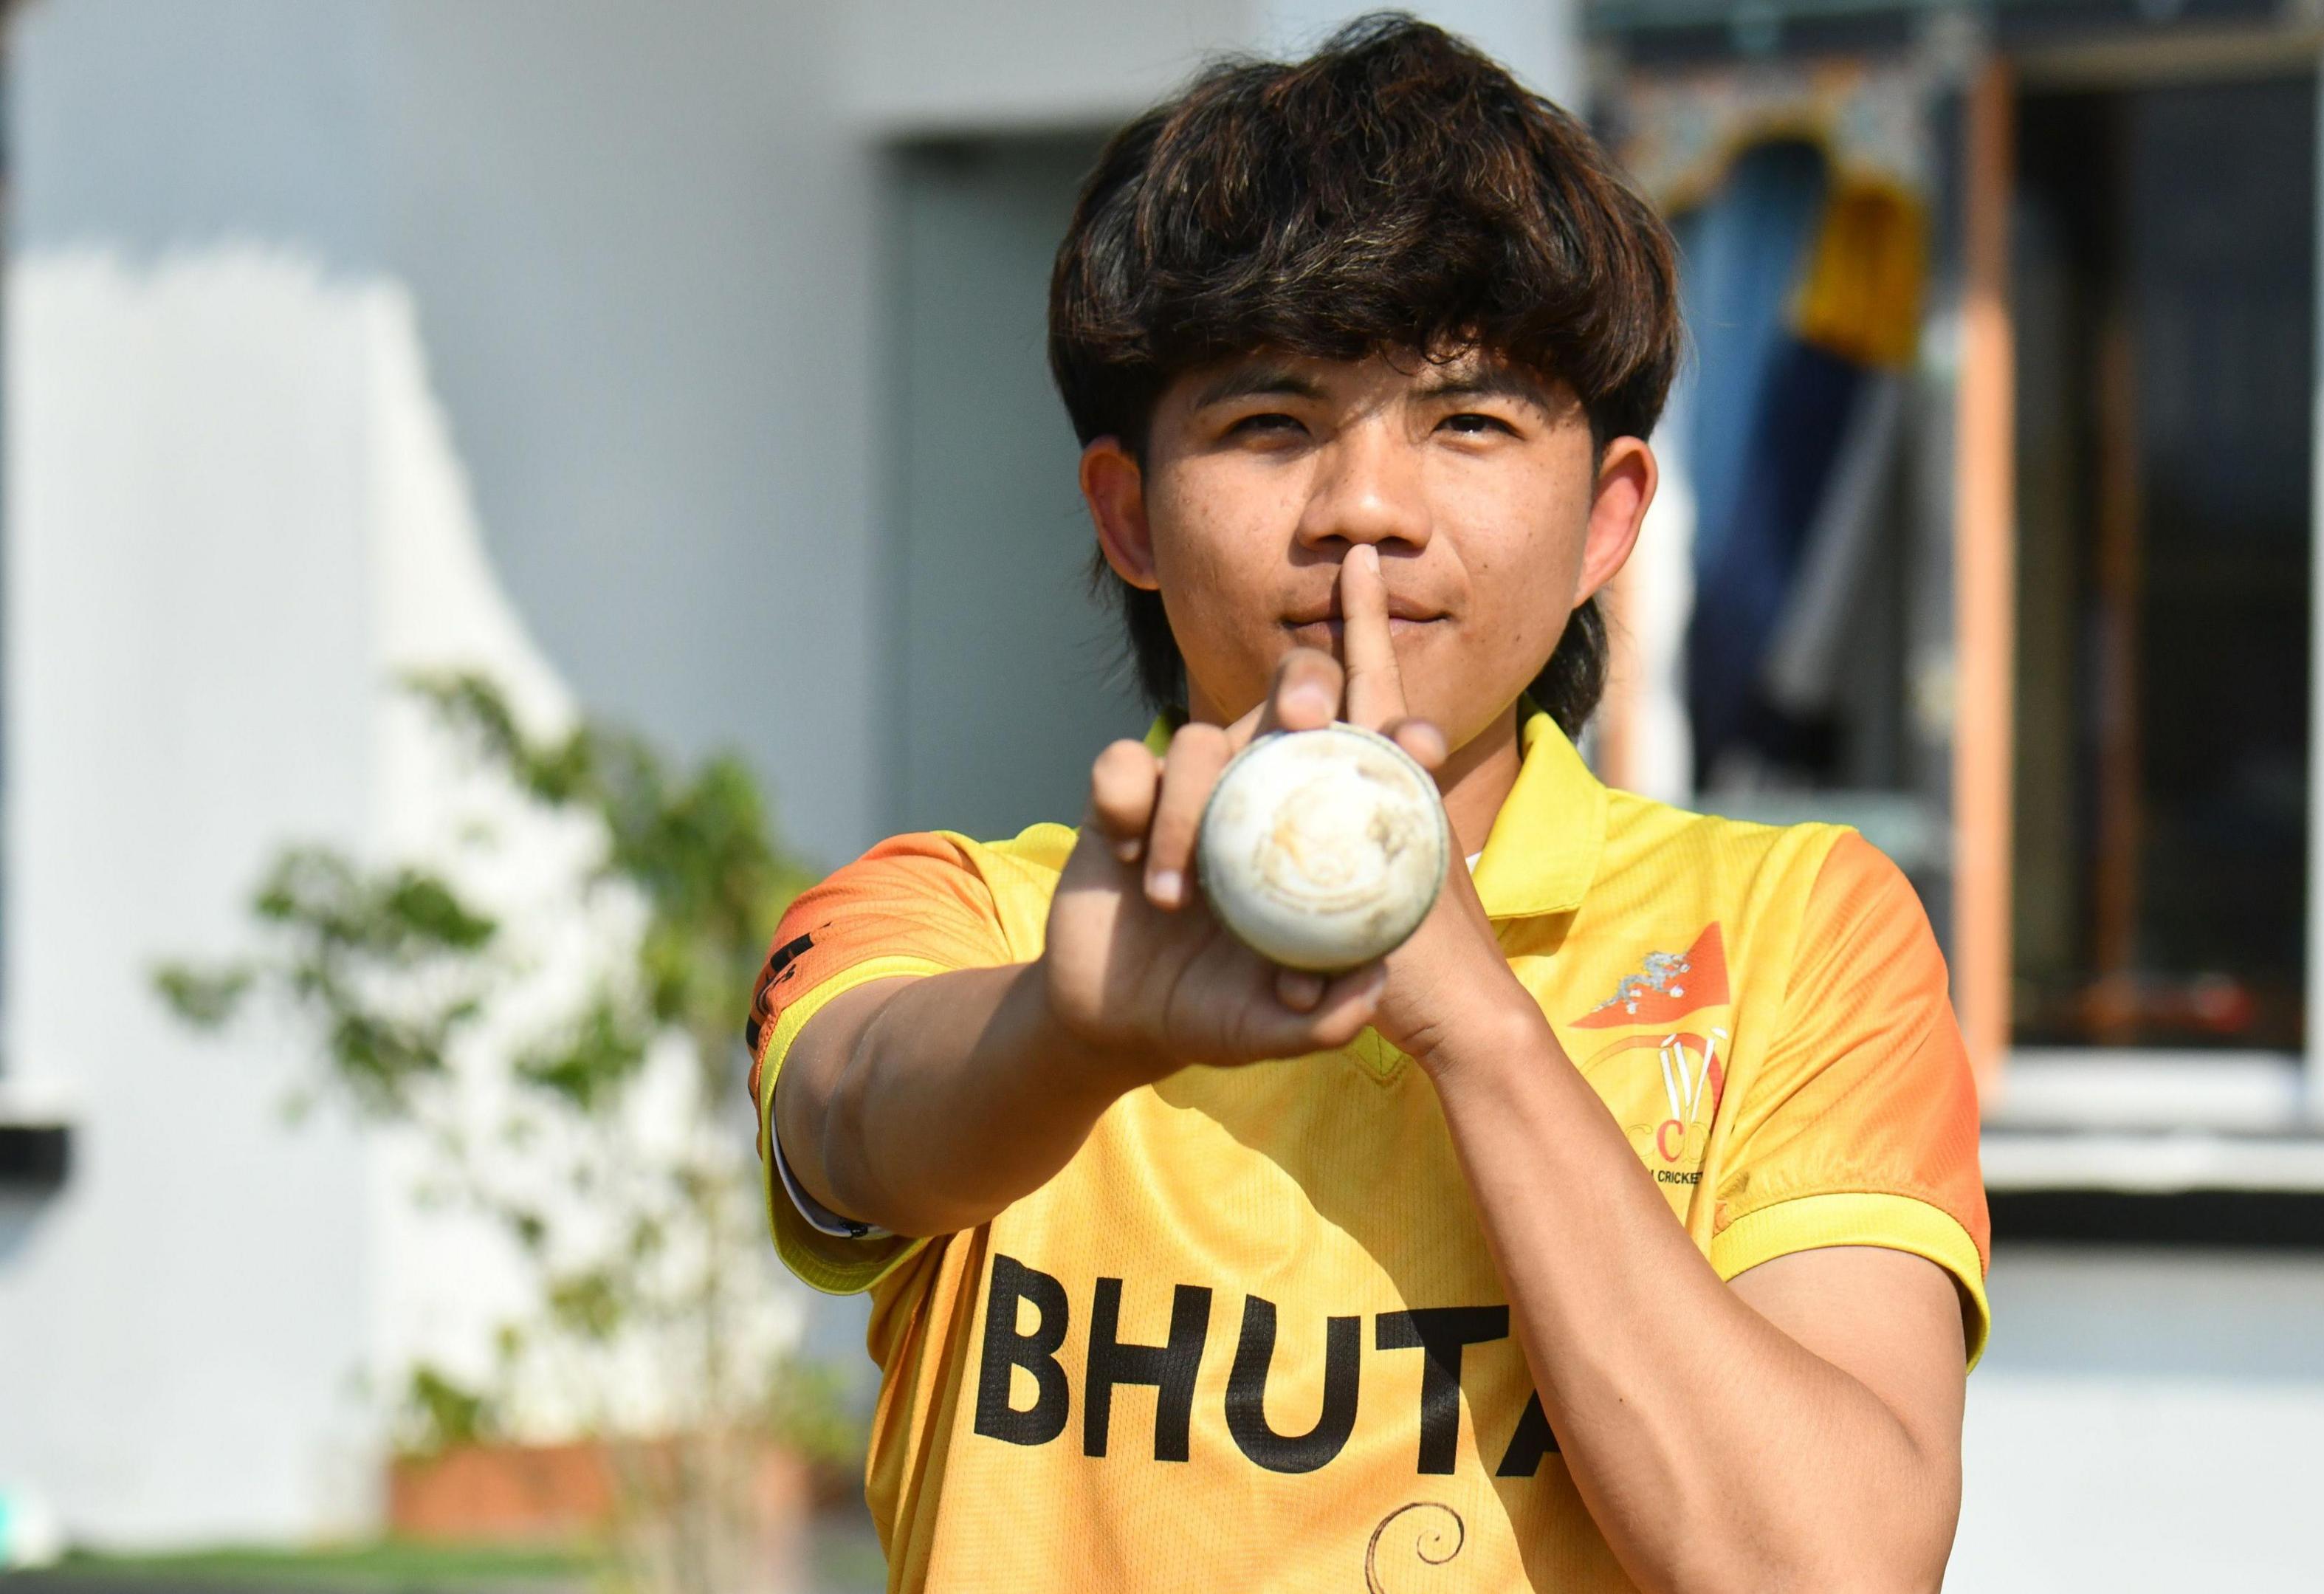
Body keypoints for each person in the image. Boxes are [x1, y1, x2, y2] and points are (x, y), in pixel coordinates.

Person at [747, 16, 1987, 1590]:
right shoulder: (968, 917)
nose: (1368, 514)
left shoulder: (1804, 932)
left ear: (1609, 518)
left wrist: (1477, 1023)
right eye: (1271, 426)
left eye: (1469, 422)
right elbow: (849, 1115)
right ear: (1129, 514)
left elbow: (1832, 1571)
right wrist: (1070, 1036)